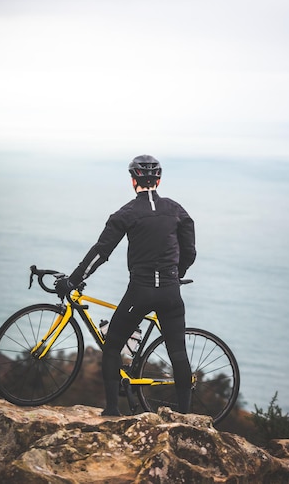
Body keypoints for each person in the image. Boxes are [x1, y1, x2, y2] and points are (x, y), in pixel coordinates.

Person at [55, 154, 196, 416]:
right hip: (170, 293)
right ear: (159, 180)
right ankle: (185, 418)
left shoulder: (127, 213)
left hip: (139, 293)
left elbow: (101, 252)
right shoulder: (177, 210)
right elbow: (189, 250)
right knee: (178, 352)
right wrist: (178, 273)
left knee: (112, 348)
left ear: (133, 181)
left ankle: (111, 410)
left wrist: (73, 280)